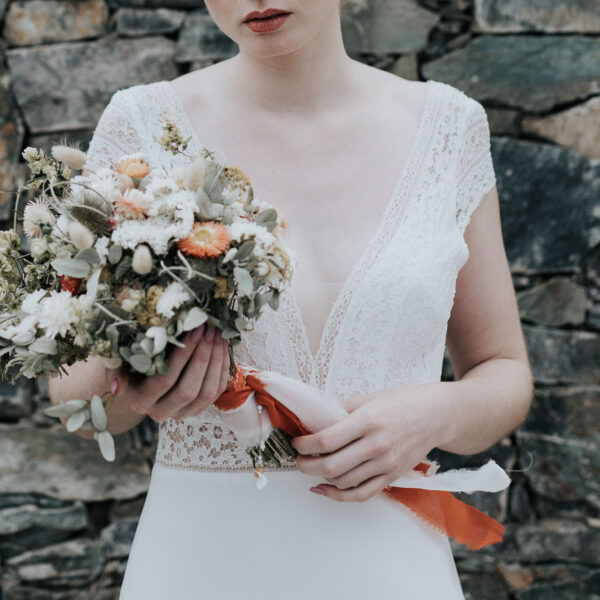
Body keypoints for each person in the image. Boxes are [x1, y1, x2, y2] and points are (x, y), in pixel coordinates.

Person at [48, 1, 534, 597]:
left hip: (391, 564)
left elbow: (503, 370)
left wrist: (435, 415)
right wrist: (143, 389)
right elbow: (73, 396)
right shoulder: (144, 124)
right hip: (201, 562)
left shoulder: (449, 128)